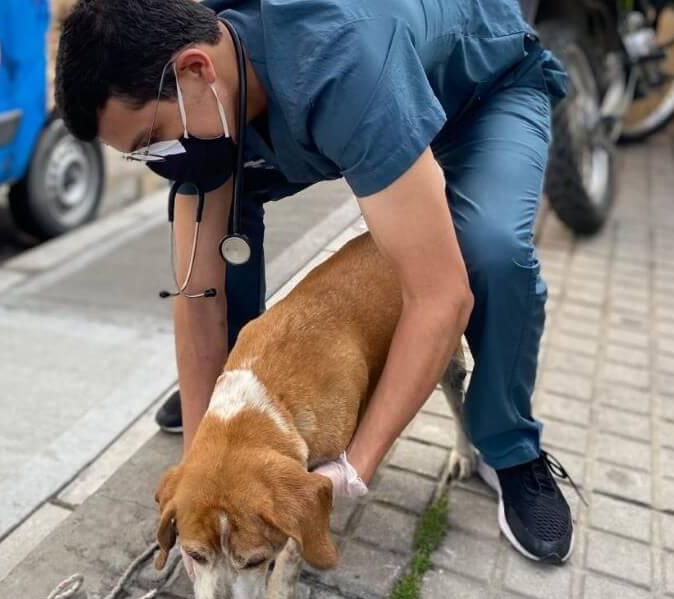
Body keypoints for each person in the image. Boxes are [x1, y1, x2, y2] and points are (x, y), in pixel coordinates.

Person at [54, 0, 581, 564]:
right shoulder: (201, 71)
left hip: (481, 95)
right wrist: (203, 465)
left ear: (196, 70)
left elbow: (439, 298)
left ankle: (510, 445)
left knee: (488, 251)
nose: (160, 157)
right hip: (359, 92)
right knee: (217, 210)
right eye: (142, 153)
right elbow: (198, 296)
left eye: (154, 135)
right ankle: (232, 404)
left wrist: (355, 464)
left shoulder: (341, 67)